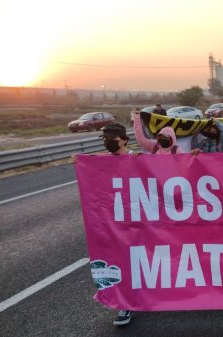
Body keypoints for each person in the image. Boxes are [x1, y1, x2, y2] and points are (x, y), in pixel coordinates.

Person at [72, 123, 135, 326]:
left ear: (124, 140)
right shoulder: (103, 162)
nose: (109, 143)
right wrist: (80, 163)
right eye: (105, 140)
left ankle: (142, 297)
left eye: (113, 140)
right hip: (112, 223)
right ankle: (125, 305)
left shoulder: (137, 159)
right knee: (119, 263)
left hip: (135, 222)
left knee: (136, 262)